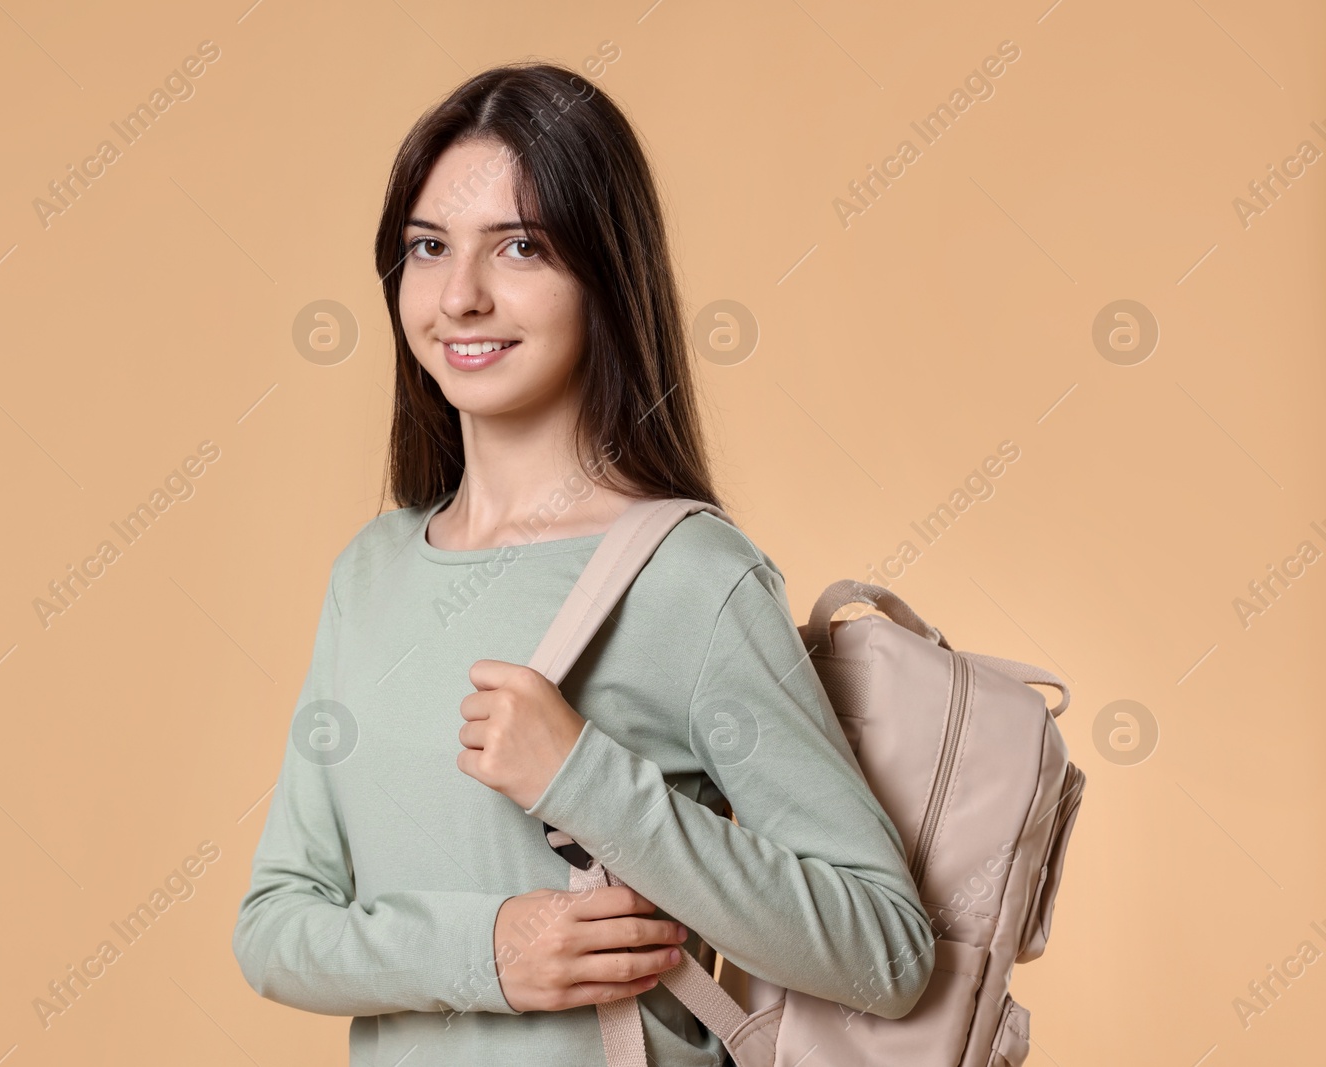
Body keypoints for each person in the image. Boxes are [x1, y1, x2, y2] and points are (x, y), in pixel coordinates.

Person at [231, 61, 934, 1065]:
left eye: (520, 246)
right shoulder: (370, 574)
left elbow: (885, 948)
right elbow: (274, 927)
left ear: (603, 273)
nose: (461, 296)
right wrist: (488, 954)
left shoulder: (691, 576)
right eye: (428, 248)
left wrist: (583, 776)